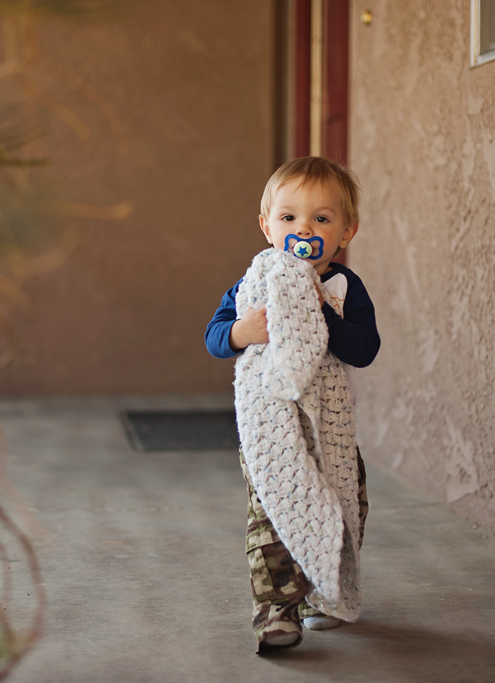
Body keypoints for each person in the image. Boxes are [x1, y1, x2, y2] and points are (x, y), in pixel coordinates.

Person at [205, 156, 379, 654]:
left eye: (321, 219)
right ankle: (275, 609)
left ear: (346, 231)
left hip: (329, 430)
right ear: (267, 226)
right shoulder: (252, 283)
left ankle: (321, 594)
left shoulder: (343, 288)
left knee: (348, 505)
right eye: (288, 218)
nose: (303, 228)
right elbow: (215, 337)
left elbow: (364, 349)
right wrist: (241, 332)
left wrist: (322, 310)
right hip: (272, 427)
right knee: (273, 514)